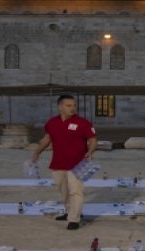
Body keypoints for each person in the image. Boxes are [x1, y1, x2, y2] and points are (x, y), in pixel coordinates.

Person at [31, 95, 97, 230]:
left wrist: (90, 151)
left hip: (79, 163)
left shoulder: (83, 123)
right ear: (60, 107)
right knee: (64, 191)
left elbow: (93, 140)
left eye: (74, 105)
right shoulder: (51, 123)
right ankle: (69, 212)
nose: (72, 108)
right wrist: (37, 152)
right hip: (58, 163)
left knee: (76, 192)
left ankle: (74, 219)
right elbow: (46, 139)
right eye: (68, 105)